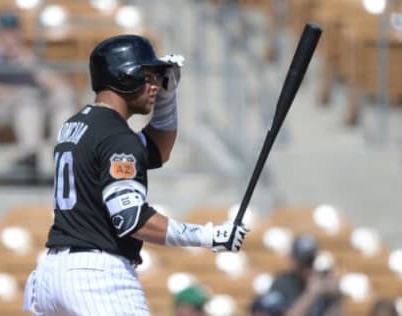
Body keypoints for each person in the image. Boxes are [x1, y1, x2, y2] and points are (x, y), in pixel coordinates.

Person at [22, 34, 249, 316]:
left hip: (52, 274)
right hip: (95, 277)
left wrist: (167, 95)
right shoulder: (117, 136)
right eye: (148, 76)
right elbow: (130, 219)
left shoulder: (79, 124)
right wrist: (209, 236)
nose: (154, 85)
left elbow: (158, 150)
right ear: (124, 75)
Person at [0, 11, 75, 170]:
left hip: (39, 107)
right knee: (27, 100)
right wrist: (14, 92)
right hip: (4, 109)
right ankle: (30, 155)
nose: (11, 38)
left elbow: (61, 86)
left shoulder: (30, 59)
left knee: (63, 96)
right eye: (6, 33)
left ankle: (63, 152)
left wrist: (31, 65)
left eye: (14, 32)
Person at [268, 234, 342, 316]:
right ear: (293, 260)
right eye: (303, 262)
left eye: (310, 261)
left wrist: (336, 299)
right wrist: (310, 294)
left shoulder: (323, 280)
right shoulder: (282, 283)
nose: (307, 267)